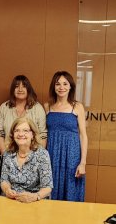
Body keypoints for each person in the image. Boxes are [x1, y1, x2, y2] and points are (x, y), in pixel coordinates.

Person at [45, 71, 88, 201]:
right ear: (54, 86)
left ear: (71, 87)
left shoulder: (77, 106)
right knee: (51, 189)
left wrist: (83, 163)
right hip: (51, 154)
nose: (61, 87)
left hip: (72, 155)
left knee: (71, 190)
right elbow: (44, 134)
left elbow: (83, 136)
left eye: (65, 84)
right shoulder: (47, 106)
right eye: (58, 84)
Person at [0, 117, 53, 203]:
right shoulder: (8, 154)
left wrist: (34, 197)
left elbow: (47, 187)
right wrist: (7, 190)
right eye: (17, 130)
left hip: (34, 201)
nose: (21, 134)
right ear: (13, 135)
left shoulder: (42, 154)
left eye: (25, 131)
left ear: (32, 135)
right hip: (11, 200)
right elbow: (4, 180)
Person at [0, 75, 47, 155]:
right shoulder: (4, 107)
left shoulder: (38, 108)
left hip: (32, 156)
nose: (20, 89)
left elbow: (43, 135)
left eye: (24, 86)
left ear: (28, 89)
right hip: (9, 155)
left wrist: (36, 157)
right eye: (17, 86)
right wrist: (5, 154)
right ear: (13, 89)